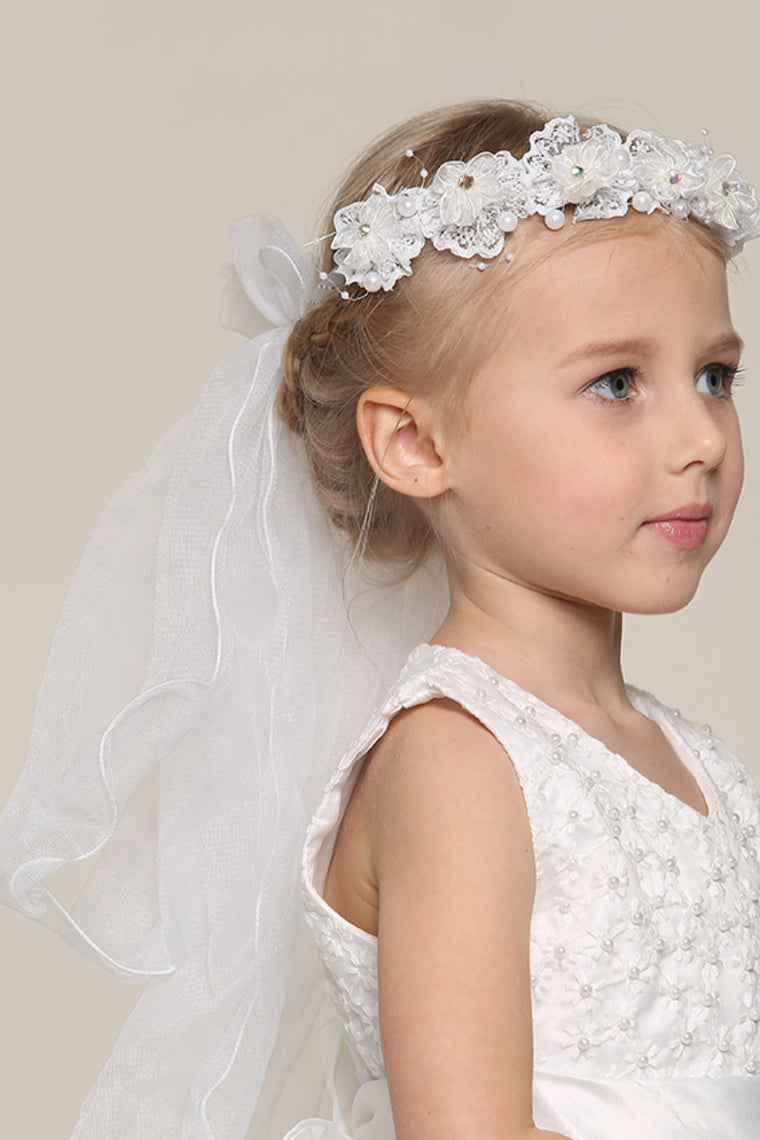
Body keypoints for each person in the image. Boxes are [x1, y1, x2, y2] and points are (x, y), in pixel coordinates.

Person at [1, 100, 759, 1140]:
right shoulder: (456, 763)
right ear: (413, 445)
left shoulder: (690, 758)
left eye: (713, 376)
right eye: (617, 383)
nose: (699, 438)